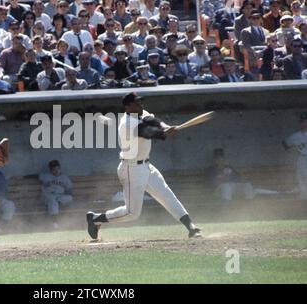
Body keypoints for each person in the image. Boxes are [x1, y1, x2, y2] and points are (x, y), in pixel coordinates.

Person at [86, 92, 202, 240]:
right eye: (136, 103)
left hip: (146, 166)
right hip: (130, 169)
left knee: (167, 196)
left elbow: (153, 121)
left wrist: (166, 127)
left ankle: (191, 226)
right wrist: (164, 133)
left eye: (141, 102)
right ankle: (96, 219)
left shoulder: (141, 113)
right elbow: (148, 132)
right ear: (128, 106)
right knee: (132, 213)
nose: (141, 105)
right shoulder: (126, 124)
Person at [205, 148, 279, 201]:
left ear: (224, 158)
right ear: (214, 159)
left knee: (247, 185)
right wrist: (222, 179)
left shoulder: (229, 168)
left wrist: (238, 181)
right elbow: (211, 184)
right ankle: (226, 207)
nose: (219, 160)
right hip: (217, 192)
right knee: (226, 186)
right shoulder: (211, 170)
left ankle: (249, 203)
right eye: (217, 158)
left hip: (232, 188)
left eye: (221, 158)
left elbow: (238, 179)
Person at [39, 160, 73, 228]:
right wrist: (22, 177)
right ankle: (55, 223)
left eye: (57, 168)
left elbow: (69, 189)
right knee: (52, 201)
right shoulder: (45, 176)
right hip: (48, 195)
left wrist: (68, 195)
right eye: (54, 169)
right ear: (50, 170)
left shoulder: (64, 177)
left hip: (60, 196)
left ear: (60, 168)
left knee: (69, 198)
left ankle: (57, 203)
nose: (56, 171)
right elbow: (35, 176)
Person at [283, 112, 307, 199]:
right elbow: (285, 144)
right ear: (301, 123)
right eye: (303, 121)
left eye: (306, 121)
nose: (305, 123)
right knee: (302, 177)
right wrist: (292, 149)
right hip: (302, 157)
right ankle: (304, 197)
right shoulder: (296, 135)